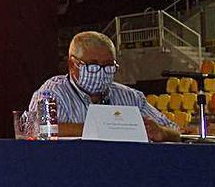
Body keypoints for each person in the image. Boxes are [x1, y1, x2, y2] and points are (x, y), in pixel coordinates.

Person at [27, 32, 181, 142]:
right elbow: (36, 129)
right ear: (72, 65)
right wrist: (105, 128)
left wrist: (162, 133)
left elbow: (175, 131)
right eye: (93, 65)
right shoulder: (52, 92)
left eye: (108, 66)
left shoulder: (130, 97)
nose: (101, 72)